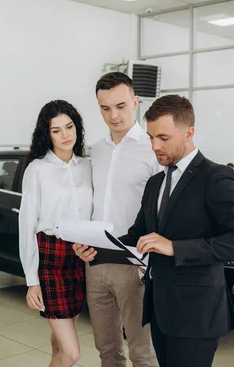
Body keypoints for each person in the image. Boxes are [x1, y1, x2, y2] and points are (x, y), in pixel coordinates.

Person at [120, 95, 234, 367]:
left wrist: (174, 247)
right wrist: (98, 247)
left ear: (189, 133)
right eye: (150, 137)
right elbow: (139, 234)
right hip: (159, 308)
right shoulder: (155, 183)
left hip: (197, 313)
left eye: (163, 138)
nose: (154, 146)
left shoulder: (216, 177)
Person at [73, 72, 159, 367]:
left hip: (135, 261)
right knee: (107, 348)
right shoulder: (95, 150)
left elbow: (162, 209)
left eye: (121, 106)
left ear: (136, 102)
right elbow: (88, 204)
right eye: (105, 108)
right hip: (95, 260)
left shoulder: (152, 150)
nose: (113, 115)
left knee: (142, 352)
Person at [19, 99, 92, 367]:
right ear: (46, 134)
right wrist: (32, 280)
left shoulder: (86, 166)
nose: (65, 135)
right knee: (72, 353)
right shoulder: (37, 169)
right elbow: (26, 225)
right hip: (50, 260)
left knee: (58, 343)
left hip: (79, 259)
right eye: (56, 130)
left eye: (70, 127)